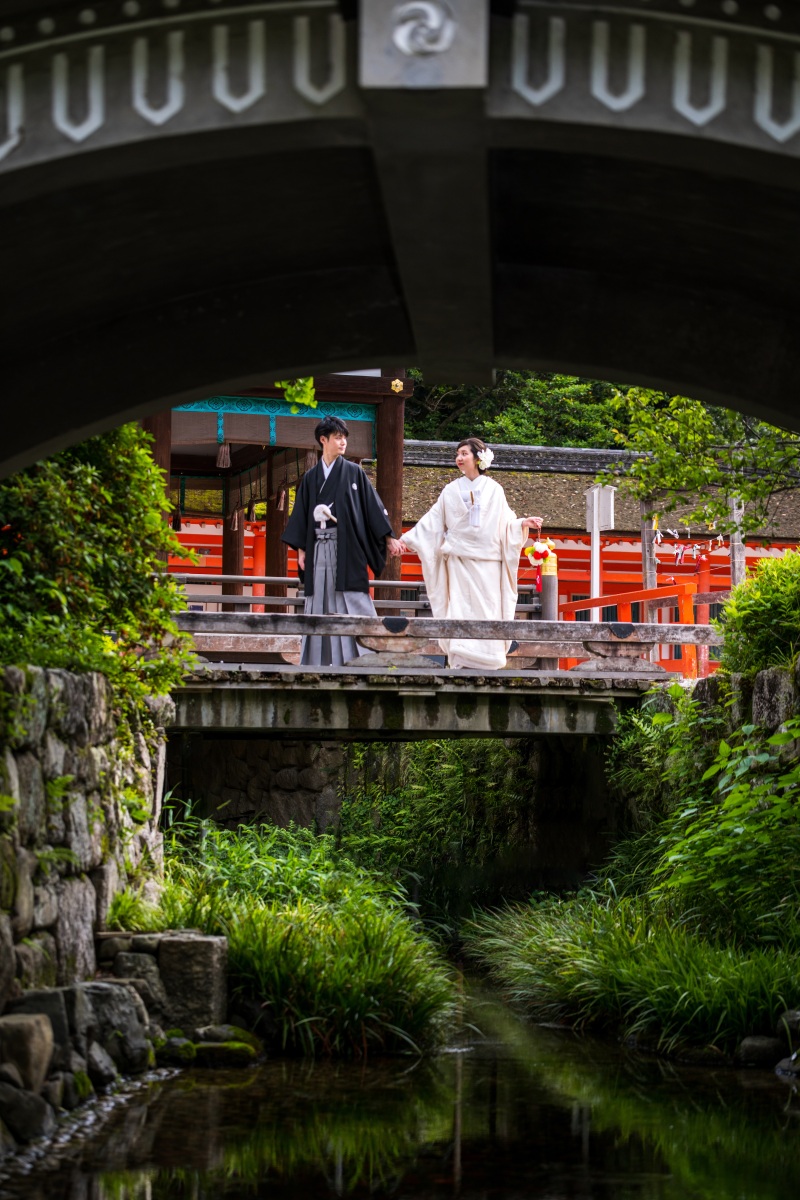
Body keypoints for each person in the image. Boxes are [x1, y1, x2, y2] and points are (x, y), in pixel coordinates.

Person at [393, 438, 541, 670]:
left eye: (464, 453)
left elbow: (507, 523)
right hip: (460, 561)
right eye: (457, 454)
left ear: (477, 458)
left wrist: (523, 523)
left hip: (488, 563)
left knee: (488, 608)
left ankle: (489, 658)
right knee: (460, 607)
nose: (459, 458)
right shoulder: (450, 490)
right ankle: (461, 658)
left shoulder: (494, 489)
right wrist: (405, 541)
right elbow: (432, 522)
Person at [282, 415, 403, 666]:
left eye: (344, 437)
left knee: (351, 597)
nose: (343, 442)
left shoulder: (353, 472)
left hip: (346, 548)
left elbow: (372, 507)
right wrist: (301, 551)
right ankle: (317, 661)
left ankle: (366, 657)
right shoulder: (311, 477)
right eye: (338, 437)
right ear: (323, 440)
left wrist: (389, 538)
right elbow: (302, 516)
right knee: (319, 601)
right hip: (317, 547)